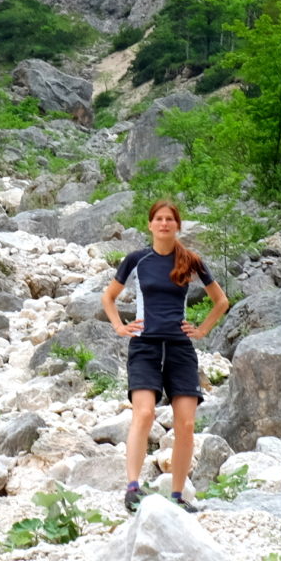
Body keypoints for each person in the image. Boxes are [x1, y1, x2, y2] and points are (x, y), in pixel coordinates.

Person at [101, 198, 229, 513]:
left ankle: (177, 496)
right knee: (143, 414)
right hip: (144, 345)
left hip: (179, 347)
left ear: (177, 225)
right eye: (158, 218)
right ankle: (132, 488)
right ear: (150, 224)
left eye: (169, 219)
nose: (164, 224)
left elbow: (221, 301)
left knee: (185, 423)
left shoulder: (190, 260)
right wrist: (119, 325)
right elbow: (109, 297)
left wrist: (201, 330)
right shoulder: (136, 259)